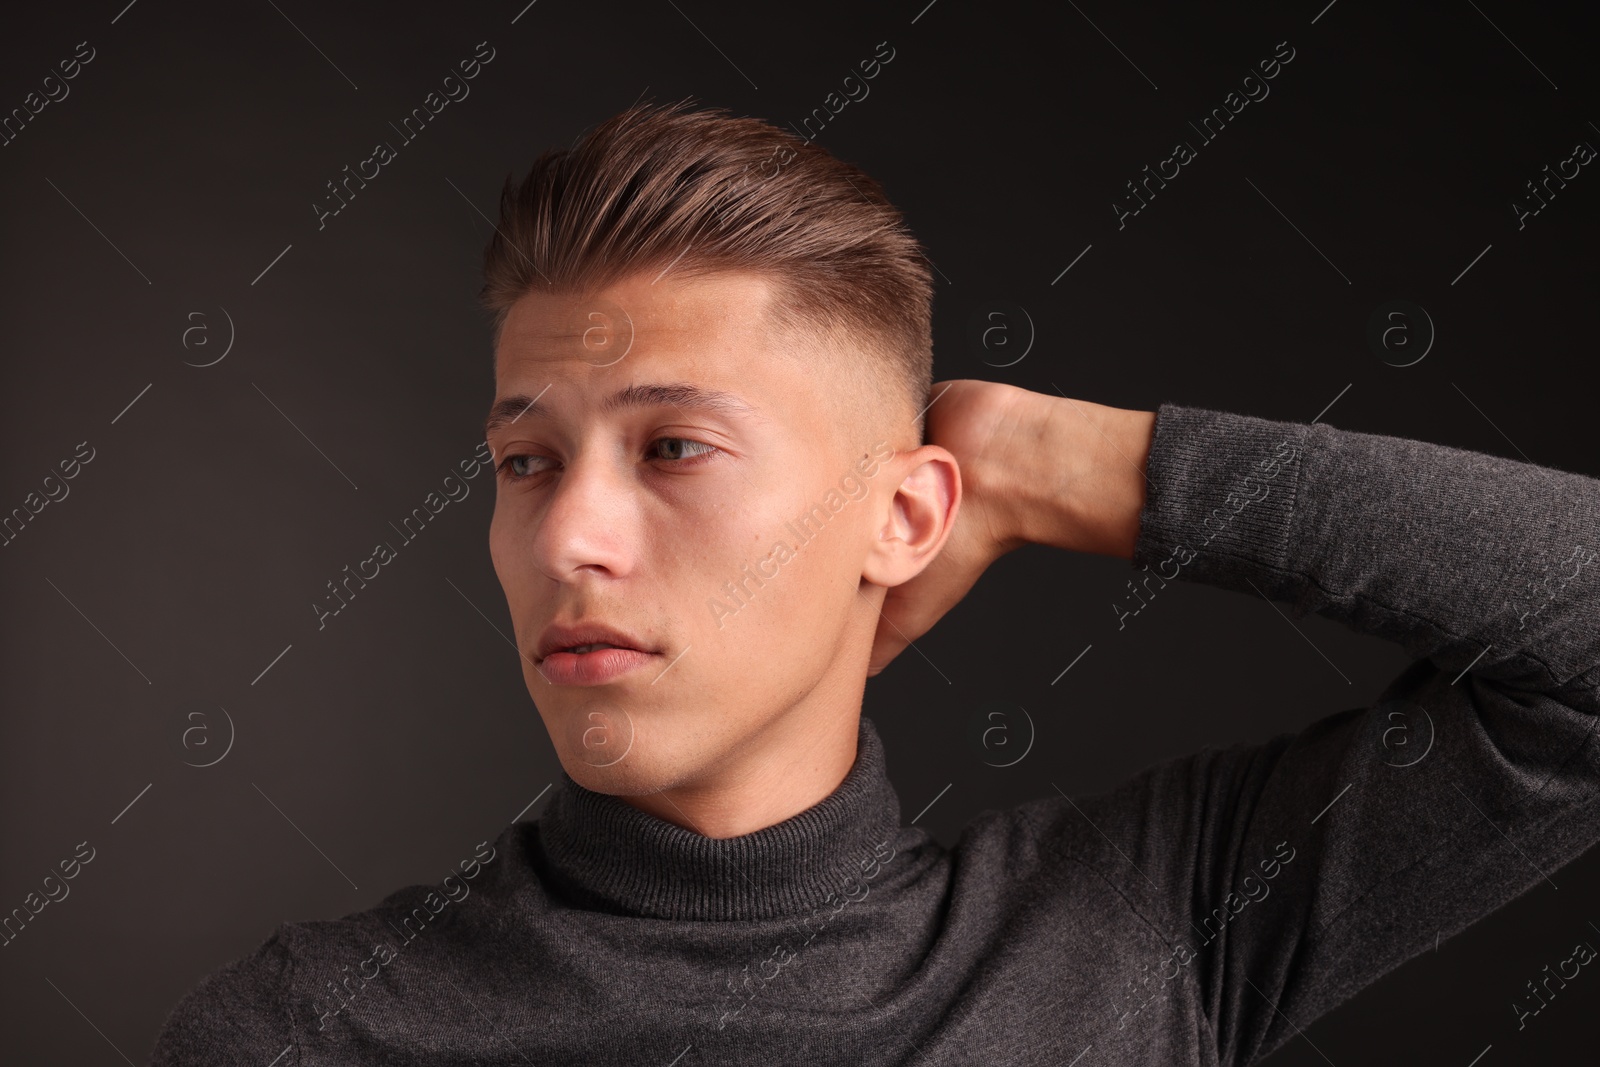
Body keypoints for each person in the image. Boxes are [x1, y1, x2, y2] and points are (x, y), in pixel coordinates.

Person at [149, 99, 1600, 1066]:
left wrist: (1060, 463)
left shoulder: (1136, 934)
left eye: (672, 447)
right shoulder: (310, 1027)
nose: (569, 537)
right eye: (525, 462)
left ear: (904, 515)